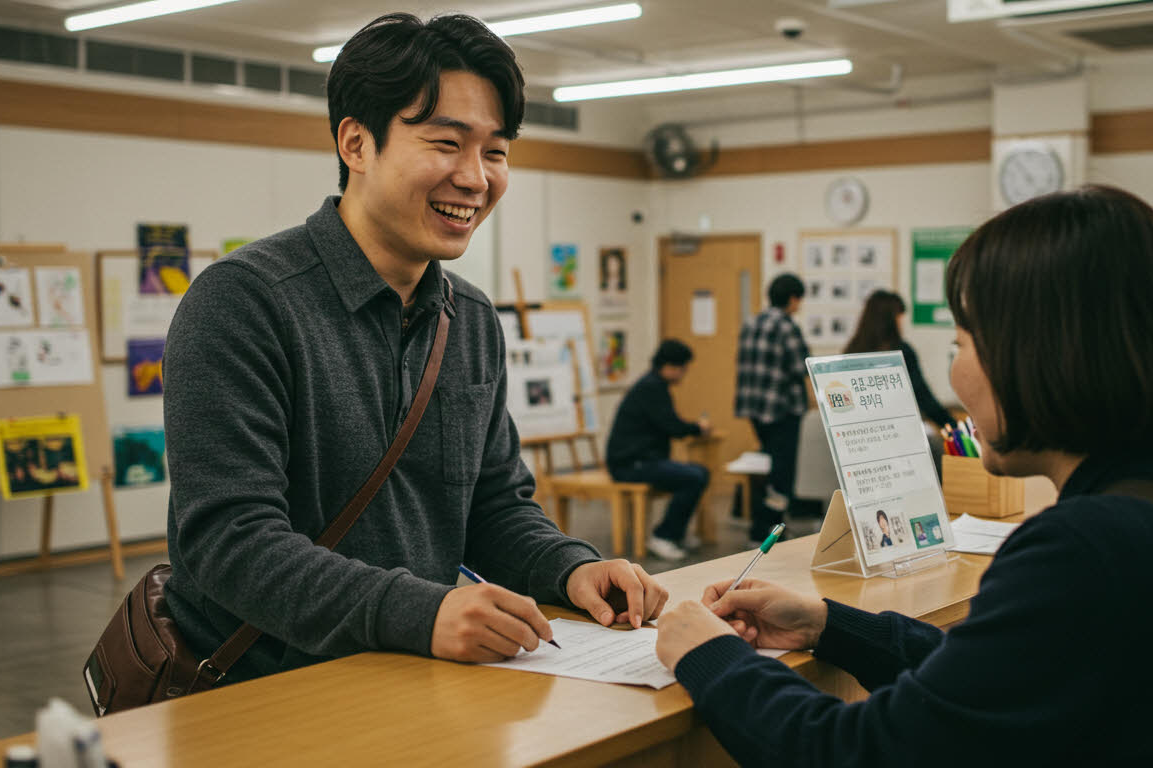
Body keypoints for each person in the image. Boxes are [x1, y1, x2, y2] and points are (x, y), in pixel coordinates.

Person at [654, 185, 1153, 766]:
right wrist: (830, 625)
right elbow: (1001, 670)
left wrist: (712, 655)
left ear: (1039, 356)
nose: (955, 372)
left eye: (961, 343)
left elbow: (857, 752)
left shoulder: (1090, 545)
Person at [162, 13, 667, 684]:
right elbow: (230, 542)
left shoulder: (473, 320)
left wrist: (570, 566)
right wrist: (420, 612)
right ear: (356, 143)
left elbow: (493, 506)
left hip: (418, 678)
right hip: (261, 692)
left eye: (496, 151)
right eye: (446, 143)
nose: (475, 177)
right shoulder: (243, 304)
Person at [605, 340, 711, 560]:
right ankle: (664, 536)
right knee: (693, 477)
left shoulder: (653, 384)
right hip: (630, 464)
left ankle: (676, 533)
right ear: (671, 366)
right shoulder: (651, 387)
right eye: (683, 368)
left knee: (700, 473)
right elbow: (672, 425)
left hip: (640, 460)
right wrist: (698, 428)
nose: (684, 374)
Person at [735, 273, 811, 545]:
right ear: (792, 299)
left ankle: (759, 526)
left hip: (754, 408)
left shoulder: (752, 322)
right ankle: (771, 530)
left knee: (767, 466)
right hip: (781, 408)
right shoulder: (786, 326)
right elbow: (801, 365)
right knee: (782, 473)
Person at [844, 290, 956, 431]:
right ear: (891, 320)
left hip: (859, 431)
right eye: (900, 317)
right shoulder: (901, 352)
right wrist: (953, 426)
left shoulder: (852, 349)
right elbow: (923, 396)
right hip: (893, 430)